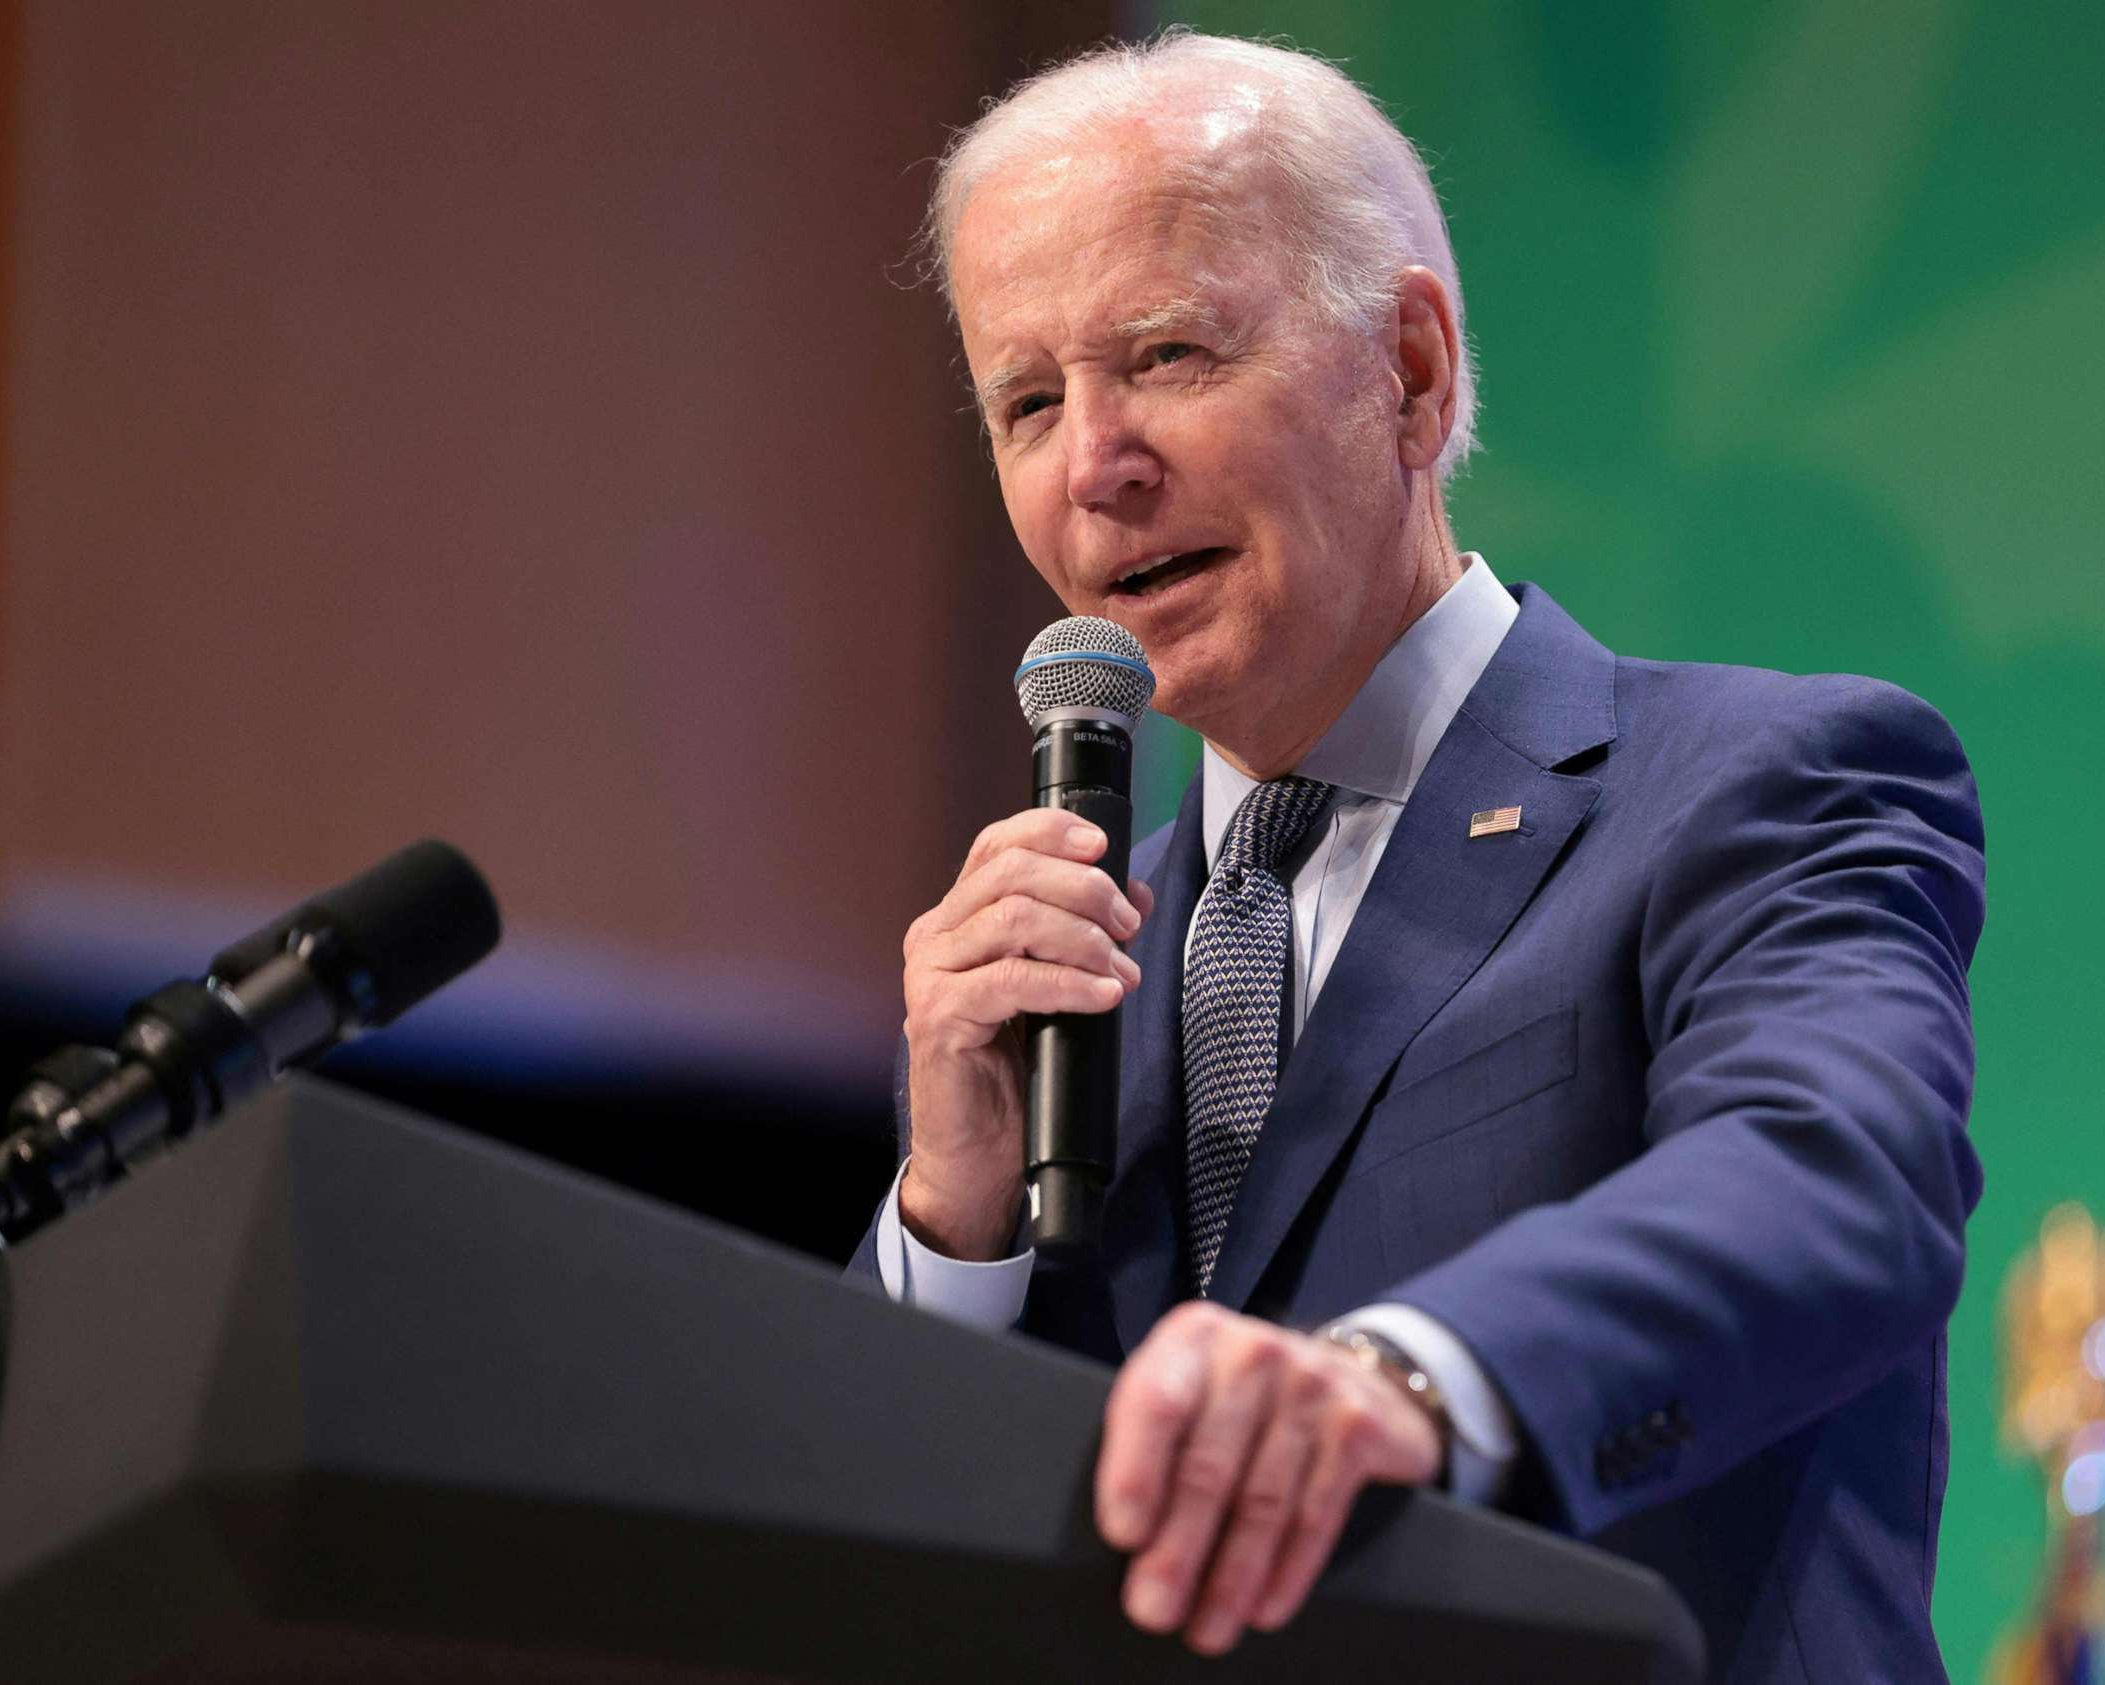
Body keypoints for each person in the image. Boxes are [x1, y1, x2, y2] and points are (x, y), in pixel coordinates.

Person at [847, 32, 1984, 1683]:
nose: (1093, 463)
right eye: (1029, 400)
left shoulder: (1758, 784)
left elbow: (1838, 1181)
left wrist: (1410, 1381)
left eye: (1165, 353)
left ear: (1412, 371)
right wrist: (954, 1232)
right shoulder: (1070, 972)